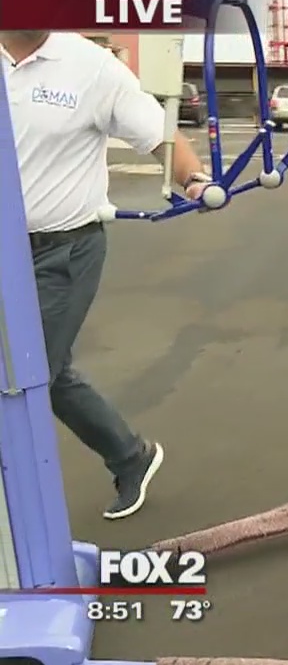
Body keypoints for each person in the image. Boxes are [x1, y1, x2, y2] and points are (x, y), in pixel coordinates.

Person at [2, 30, 210, 519]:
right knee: (50, 375)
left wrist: (194, 180)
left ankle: (25, 515)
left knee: (30, 374)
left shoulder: (90, 66)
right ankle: (130, 456)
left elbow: (159, 134)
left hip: (63, 251)